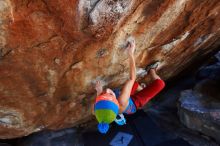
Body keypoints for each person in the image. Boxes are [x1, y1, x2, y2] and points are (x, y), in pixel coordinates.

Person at [93, 37, 165, 134]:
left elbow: (100, 101)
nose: (107, 91)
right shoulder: (121, 101)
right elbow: (132, 77)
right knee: (160, 84)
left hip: (122, 101)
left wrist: (99, 92)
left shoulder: (98, 112)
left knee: (133, 85)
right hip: (134, 104)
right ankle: (151, 70)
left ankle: (140, 88)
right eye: (109, 95)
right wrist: (130, 53)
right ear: (116, 102)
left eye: (104, 95)